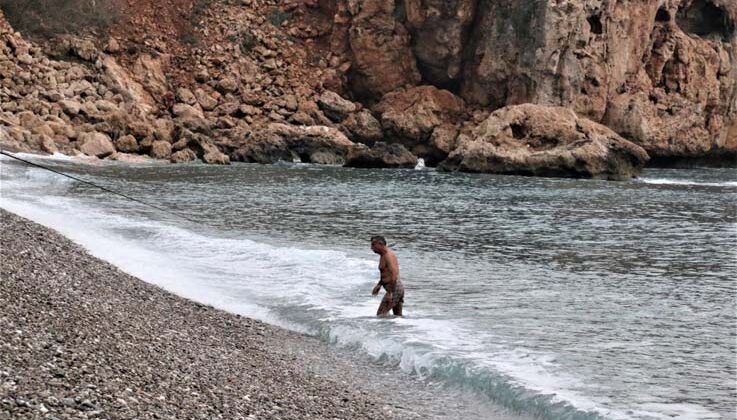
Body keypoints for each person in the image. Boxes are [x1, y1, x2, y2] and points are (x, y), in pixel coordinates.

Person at [370, 236, 404, 317]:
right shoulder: (383, 254)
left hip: (394, 288)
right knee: (398, 317)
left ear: (380, 244)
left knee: (380, 315)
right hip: (396, 289)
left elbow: (394, 274)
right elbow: (386, 273)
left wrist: (390, 293)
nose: (371, 248)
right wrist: (379, 285)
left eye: (373, 245)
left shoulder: (388, 256)